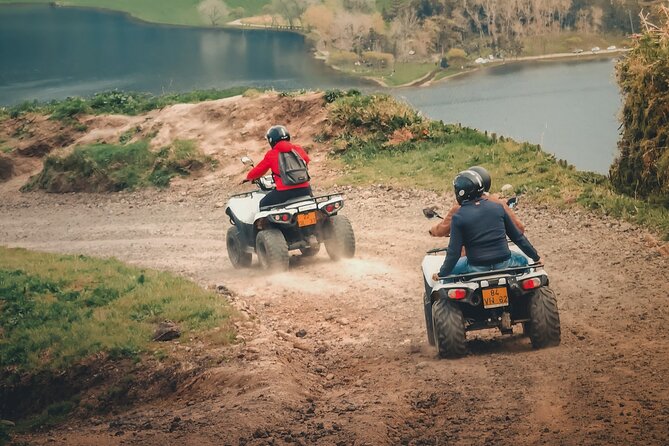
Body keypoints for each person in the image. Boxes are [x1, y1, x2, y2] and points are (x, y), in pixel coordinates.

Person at [433, 169, 541, 281]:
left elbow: (454, 252)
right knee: (524, 261)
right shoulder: (498, 207)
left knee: (447, 280)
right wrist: (536, 257)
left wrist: (442, 274)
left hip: (475, 266)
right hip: (504, 262)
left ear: (461, 192)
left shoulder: (458, 216)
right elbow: (517, 237)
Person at [429, 165, 524, 237]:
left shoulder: (459, 208)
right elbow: (519, 229)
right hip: (502, 256)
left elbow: (442, 230)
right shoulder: (499, 204)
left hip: (469, 259)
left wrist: (432, 231)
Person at [243, 125, 312, 208]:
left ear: (271, 141)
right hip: (305, 190)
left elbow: (259, 170)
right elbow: (306, 161)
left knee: (263, 204)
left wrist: (248, 177)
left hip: (284, 192)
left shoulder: (271, 154)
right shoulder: (298, 149)